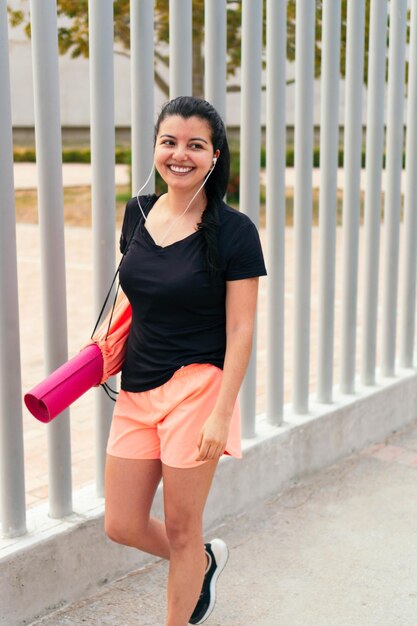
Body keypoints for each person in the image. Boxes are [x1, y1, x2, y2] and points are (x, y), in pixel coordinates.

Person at [104, 96, 267, 626]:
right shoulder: (138, 212)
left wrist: (223, 413)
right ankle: (200, 561)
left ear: (215, 156)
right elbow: (141, 289)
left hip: (199, 388)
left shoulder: (234, 231)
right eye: (169, 142)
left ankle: (183, 589)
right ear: (155, 147)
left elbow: (241, 327)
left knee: (180, 524)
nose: (180, 154)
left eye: (195, 145)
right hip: (138, 386)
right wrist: (107, 343)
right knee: (121, 523)